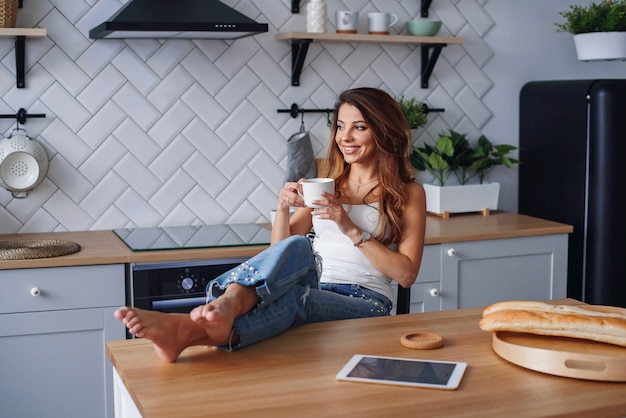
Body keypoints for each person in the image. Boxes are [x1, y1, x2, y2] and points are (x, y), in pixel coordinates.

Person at [114, 87, 427, 362]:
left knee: (295, 299)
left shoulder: (407, 192)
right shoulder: (331, 185)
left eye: (359, 127)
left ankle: (187, 329)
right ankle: (226, 303)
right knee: (298, 245)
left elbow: (406, 274)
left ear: (383, 132)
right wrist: (282, 208)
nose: (344, 137)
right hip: (317, 285)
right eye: (340, 127)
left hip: (368, 302)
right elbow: (280, 253)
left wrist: (351, 229)